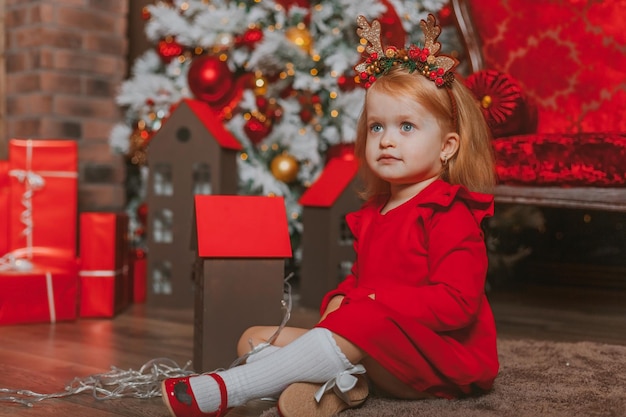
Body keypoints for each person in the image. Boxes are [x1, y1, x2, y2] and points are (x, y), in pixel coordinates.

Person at [161, 13, 499, 417]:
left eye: (406, 127)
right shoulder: (376, 211)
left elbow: (457, 303)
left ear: (447, 146)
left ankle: (226, 389)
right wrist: (341, 297)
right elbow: (363, 279)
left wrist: (370, 303)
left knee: (365, 321)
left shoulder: (450, 213)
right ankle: (338, 387)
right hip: (373, 343)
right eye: (377, 127)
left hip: (439, 359)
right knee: (253, 339)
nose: (388, 140)